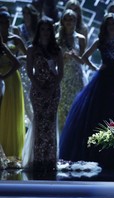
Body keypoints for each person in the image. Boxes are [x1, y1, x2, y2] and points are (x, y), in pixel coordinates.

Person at [59, 13, 114, 170]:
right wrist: (96, 68)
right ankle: (100, 152)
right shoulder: (100, 41)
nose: (111, 27)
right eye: (109, 24)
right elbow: (86, 57)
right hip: (104, 80)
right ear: (105, 26)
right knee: (99, 115)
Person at [23, 18, 63, 173]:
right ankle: (38, 159)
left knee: (51, 125)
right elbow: (29, 72)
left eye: (48, 29)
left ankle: (50, 160)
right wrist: (40, 87)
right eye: (42, 29)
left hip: (53, 91)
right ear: (38, 31)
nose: (45, 32)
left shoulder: (56, 50)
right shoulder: (32, 49)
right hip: (38, 91)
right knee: (40, 123)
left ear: (51, 32)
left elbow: (60, 73)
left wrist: (52, 88)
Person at [0, 10, 26, 162]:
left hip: (11, 79)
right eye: (2, 21)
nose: (5, 24)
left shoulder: (15, 39)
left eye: (7, 21)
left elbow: (29, 55)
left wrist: (21, 57)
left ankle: (11, 152)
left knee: (11, 114)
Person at [56, 9, 86, 132]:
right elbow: (52, 60)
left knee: (75, 108)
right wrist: (62, 58)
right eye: (66, 19)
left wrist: (74, 56)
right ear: (62, 21)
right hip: (62, 77)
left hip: (76, 77)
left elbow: (83, 61)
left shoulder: (81, 38)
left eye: (71, 19)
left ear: (76, 21)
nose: (69, 22)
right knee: (61, 109)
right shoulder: (56, 38)